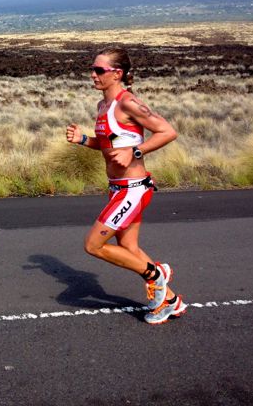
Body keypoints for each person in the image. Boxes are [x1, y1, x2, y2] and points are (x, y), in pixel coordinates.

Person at [66, 47, 186, 325]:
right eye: (93, 69)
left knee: (94, 245)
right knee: (129, 247)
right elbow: (109, 146)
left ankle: (156, 275)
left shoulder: (127, 103)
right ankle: (170, 301)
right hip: (117, 188)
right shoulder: (103, 107)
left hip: (133, 188)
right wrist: (83, 139)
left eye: (99, 70)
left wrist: (136, 152)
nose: (93, 75)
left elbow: (168, 132)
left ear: (117, 74)